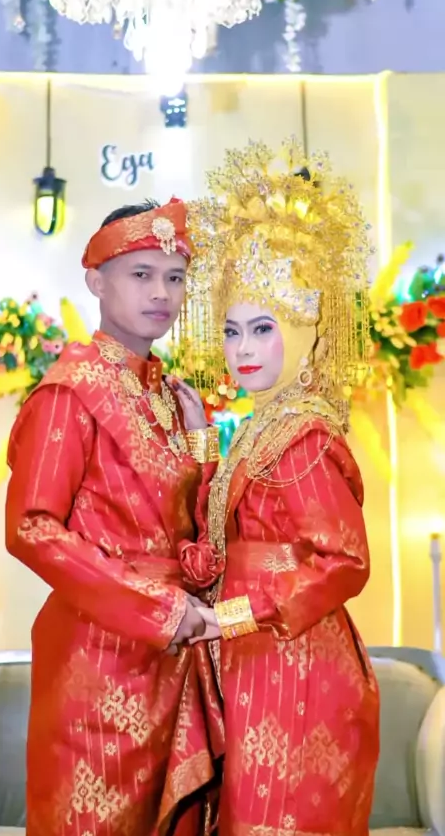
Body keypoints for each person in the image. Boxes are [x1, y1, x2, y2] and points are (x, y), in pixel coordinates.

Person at [178, 141, 380, 835]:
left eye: (263, 329)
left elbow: (344, 562)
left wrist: (229, 616)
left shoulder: (305, 435)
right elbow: (224, 524)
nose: (242, 349)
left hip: (298, 667)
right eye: (233, 330)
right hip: (257, 661)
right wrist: (202, 437)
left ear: (300, 332)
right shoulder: (263, 425)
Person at [5, 198, 224, 836]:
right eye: (141, 274)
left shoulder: (169, 396)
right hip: (98, 662)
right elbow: (32, 528)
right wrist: (157, 609)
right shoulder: (69, 391)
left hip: (175, 656)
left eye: (175, 277)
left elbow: (195, 531)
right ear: (96, 281)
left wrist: (202, 442)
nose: (161, 293)